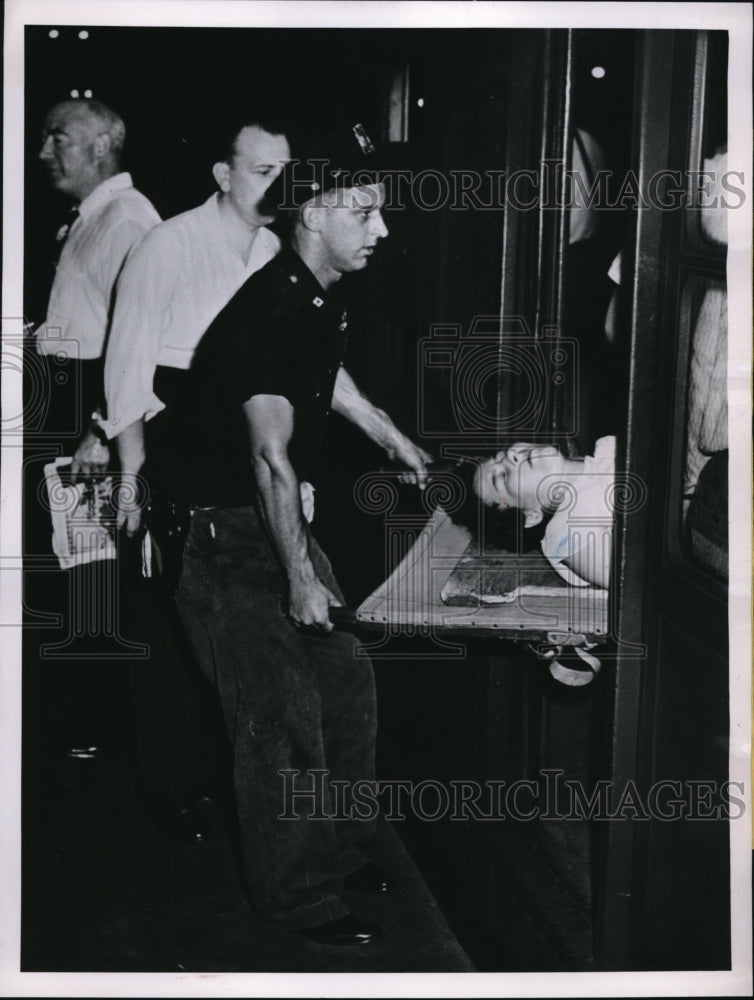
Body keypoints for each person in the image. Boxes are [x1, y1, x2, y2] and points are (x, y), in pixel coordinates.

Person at [157, 123, 431, 945]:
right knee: (279, 712)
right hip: (221, 536)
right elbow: (270, 460)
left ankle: (339, 851)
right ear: (311, 214)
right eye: (364, 213)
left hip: (266, 521)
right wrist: (301, 579)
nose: (382, 230)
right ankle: (302, 896)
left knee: (345, 683)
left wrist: (392, 437)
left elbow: (324, 375)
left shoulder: (312, 293)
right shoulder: (268, 313)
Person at [95, 116, 291, 838]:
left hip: (242, 437)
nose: (277, 185)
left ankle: (233, 784)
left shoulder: (273, 250)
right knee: (170, 620)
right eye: (262, 171)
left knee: (241, 619)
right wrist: (132, 472)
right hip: (172, 435)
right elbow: (126, 362)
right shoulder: (168, 244)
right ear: (222, 174)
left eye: (285, 172)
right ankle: (171, 791)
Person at [474, 436, 615, 589]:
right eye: (503, 477)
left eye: (501, 455)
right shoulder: (568, 531)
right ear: (531, 516)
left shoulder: (607, 447)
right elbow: (628, 579)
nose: (510, 454)